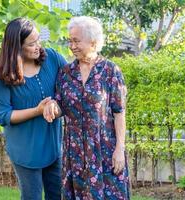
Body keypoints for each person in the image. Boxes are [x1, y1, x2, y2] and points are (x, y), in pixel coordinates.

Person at [44, 16, 130, 199]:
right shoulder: (66, 73)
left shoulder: (110, 71)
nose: (72, 46)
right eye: (70, 41)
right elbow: (60, 107)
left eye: (76, 41)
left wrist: (120, 149)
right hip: (75, 152)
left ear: (93, 42)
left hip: (105, 149)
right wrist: (52, 105)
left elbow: (119, 113)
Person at [0, 17, 66, 200]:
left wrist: (55, 104)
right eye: (32, 43)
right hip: (25, 151)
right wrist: (37, 110)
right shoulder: (3, 74)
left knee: (57, 195)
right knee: (31, 197)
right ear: (16, 46)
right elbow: (3, 115)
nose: (38, 46)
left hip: (53, 146)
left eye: (38, 40)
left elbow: (70, 90)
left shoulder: (53, 58)